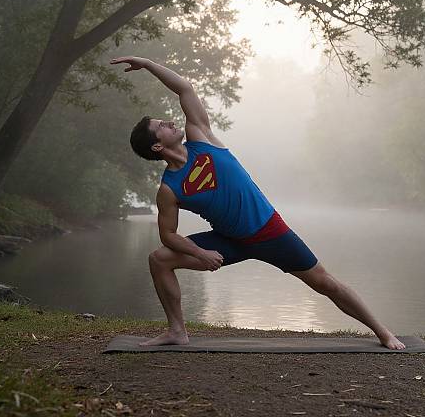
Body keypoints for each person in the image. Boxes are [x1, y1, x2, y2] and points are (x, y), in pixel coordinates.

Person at [110, 56, 406, 350]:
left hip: (270, 231)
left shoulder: (201, 138)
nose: (170, 121)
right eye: (161, 125)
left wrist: (148, 64)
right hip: (229, 241)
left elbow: (185, 89)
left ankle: (383, 332)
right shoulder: (169, 188)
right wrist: (201, 253)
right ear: (158, 146)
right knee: (159, 259)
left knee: (325, 283)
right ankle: (177, 331)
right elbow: (168, 236)